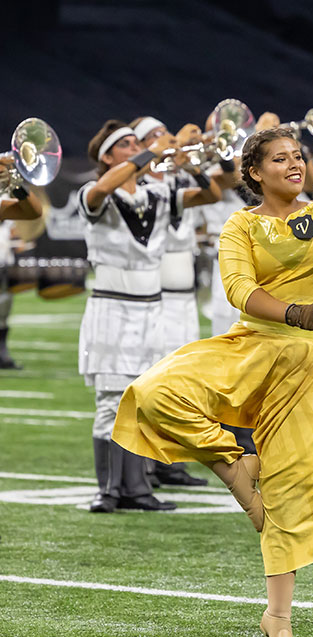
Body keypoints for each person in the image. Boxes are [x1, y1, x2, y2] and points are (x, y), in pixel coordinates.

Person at [112, 126, 313, 637]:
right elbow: (237, 288)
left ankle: (278, 621)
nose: (294, 164)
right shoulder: (241, 224)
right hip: (253, 346)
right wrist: (293, 312)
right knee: (154, 393)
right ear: (256, 173)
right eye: (279, 159)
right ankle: (236, 467)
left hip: (307, 366)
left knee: (284, 497)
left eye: (298, 156)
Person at [78, 120, 222, 512]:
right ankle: (108, 491)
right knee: (110, 400)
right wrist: (152, 153)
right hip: (110, 306)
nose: (133, 149)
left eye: (133, 144)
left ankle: (138, 489)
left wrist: (190, 164)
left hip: (151, 309)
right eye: (125, 145)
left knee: (145, 399)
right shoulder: (93, 193)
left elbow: (210, 194)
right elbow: (104, 187)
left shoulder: (157, 191)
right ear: (107, 156)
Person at [0, 181, 43, 368]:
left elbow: (33, 211)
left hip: (3, 262)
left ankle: (2, 352)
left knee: (3, 310)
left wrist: (16, 183)